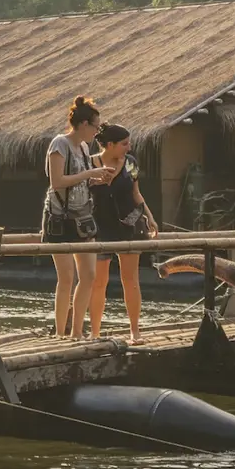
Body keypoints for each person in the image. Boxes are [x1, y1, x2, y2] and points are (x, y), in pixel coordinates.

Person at [44, 95, 115, 338]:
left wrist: (97, 178)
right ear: (84, 124)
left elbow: (82, 180)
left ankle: (76, 331)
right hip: (60, 217)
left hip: (83, 216)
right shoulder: (59, 144)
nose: (96, 133)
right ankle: (60, 333)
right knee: (66, 278)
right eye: (95, 127)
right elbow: (57, 182)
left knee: (89, 275)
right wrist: (89, 174)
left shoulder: (84, 147)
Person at [85, 123, 158, 341]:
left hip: (130, 222)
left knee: (131, 279)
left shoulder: (130, 163)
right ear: (110, 145)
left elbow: (136, 192)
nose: (129, 147)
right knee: (99, 281)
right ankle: (95, 333)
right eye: (124, 144)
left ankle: (135, 331)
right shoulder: (91, 163)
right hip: (100, 224)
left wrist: (150, 216)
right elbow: (80, 190)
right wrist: (96, 180)